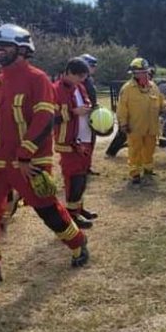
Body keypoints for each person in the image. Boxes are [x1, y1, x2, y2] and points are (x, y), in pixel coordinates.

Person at [0, 24, 89, 293]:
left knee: (48, 210)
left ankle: (78, 244)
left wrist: (27, 154)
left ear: (23, 49)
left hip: (27, 163)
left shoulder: (36, 78)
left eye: (5, 46)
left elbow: (44, 119)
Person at [54, 58, 96, 228]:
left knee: (83, 176)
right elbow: (50, 119)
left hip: (85, 138)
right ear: (69, 72)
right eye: (79, 77)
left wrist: (90, 109)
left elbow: (86, 103)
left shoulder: (79, 86)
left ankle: (78, 207)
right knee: (74, 178)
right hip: (68, 142)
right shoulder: (55, 90)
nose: (82, 80)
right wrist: (73, 113)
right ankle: (71, 215)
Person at [116, 58, 166, 185]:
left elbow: (161, 100)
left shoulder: (153, 86)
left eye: (145, 72)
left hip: (151, 127)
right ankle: (135, 173)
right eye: (141, 72)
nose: (144, 74)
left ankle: (148, 169)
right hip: (135, 127)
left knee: (150, 148)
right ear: (134, 73)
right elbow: (122, 108)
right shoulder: (127, 89)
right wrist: (123, 123)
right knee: (135, 150)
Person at [79, 53, 100, 176]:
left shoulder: (90, 80)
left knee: (91, 140)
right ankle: (81, 167)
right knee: (83, 142)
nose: (94, 68)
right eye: (92, 65)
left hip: (92, 114)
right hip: (82, 115)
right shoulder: (79, 80)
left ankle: (87, 166)